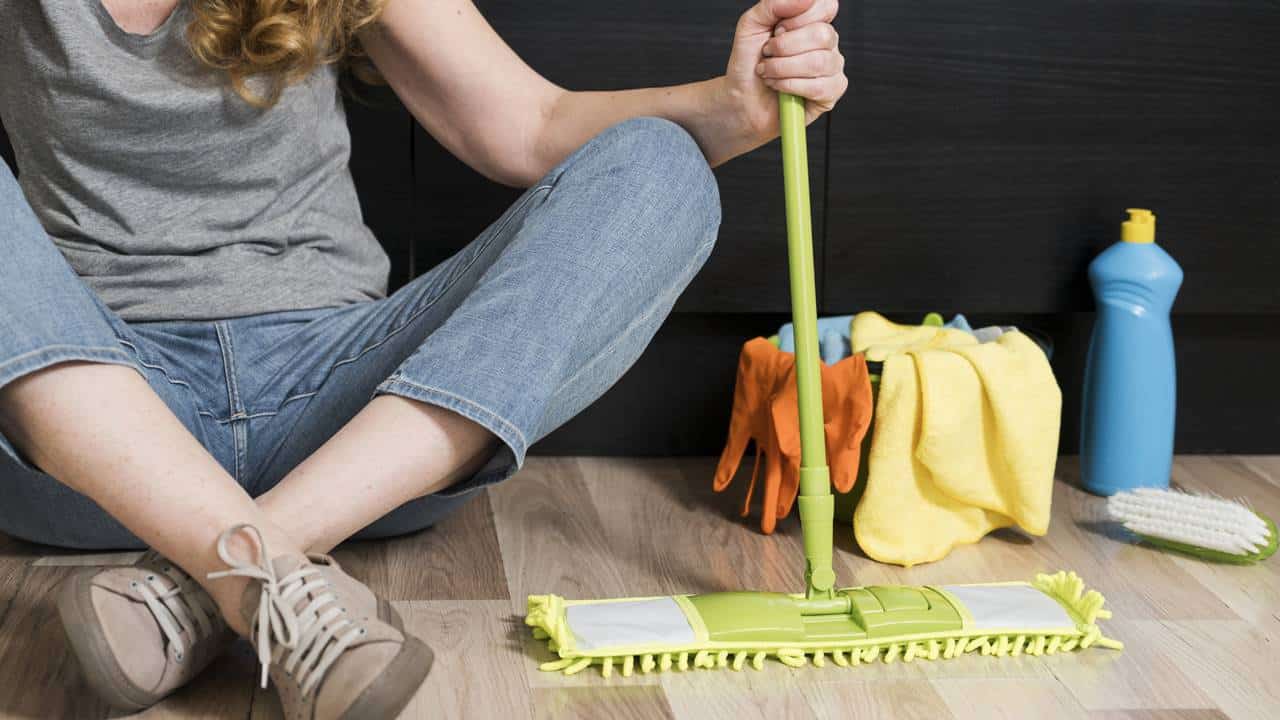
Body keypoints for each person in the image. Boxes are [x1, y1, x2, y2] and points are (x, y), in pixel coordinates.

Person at [0, 0, 847, 716]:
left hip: (348, 425)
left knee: (660, 163)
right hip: (101, 431)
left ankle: (223, 571)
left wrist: (734, 107)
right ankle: (267, 577)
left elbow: (529, 127)